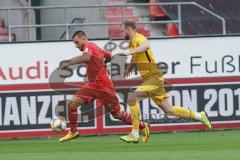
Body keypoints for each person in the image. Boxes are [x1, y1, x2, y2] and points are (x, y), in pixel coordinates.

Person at [116, 21, 212, 143]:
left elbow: (146, 46)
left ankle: (135, 133)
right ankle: (199, 115)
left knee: (132, 98)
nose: (121, 33)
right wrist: (129, 69)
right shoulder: (132, 43)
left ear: (128, 29)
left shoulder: (140, 38)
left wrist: (128, 52)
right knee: (169, 110)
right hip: (150, 79)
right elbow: (136, 57)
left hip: (154, 78)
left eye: (122, 30)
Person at [58, 30, 150, 143]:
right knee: (72, 104)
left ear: (83, 38)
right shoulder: (95, 48)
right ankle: (73, 132)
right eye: (74, 43)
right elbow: (109, 56)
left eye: (77, 42)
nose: (76, 46)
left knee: (117, 114)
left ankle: (142, 125)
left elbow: (86, 57)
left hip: (104, 88)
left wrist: (68, 63)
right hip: (92, 86)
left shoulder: (89, 46)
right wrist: (104, 63)